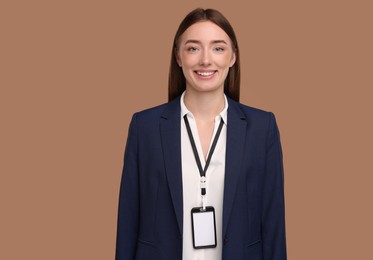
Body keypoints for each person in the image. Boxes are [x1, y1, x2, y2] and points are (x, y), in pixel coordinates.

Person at [115, 8, 287, 260]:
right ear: (178, 57)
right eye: (193, 48)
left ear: (233, 57)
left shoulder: (262, 128)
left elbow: (273, 226)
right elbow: (128, 222)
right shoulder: (145, 127)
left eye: (218, 48)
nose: (205, 60)